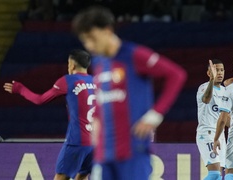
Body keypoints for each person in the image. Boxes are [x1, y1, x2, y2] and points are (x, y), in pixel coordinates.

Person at [72, 6, 187, 180]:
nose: (89, 45)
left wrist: (156, 114)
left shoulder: (134, 55)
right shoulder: (99, 63)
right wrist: (95, 120)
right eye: (85, 41)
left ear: (107, 30)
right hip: (104, 153)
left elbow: (176, 75)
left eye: (92, 38)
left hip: (132, 150)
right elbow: (100, 98)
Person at [3, 49, 95, 180]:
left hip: (77, 141)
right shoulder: (96, 81)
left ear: (72, 65)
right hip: (96, 141)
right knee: (83, 175)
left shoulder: (68, 81)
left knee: (61, 177)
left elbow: (40, 100)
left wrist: (19, 89)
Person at [196, 59, 226, 180]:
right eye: (216, 70)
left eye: (222, 70)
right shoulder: (203, 88)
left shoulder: (225, 91)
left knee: (219, 175)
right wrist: (211, 81)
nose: (219, 73)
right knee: (214, 174)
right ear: (209, 73)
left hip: (221, 135)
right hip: (207, 133)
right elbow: (206, 99)